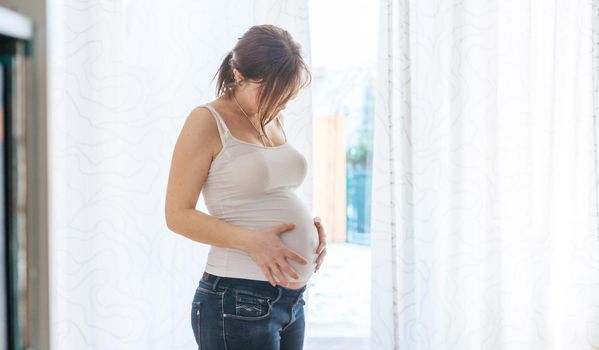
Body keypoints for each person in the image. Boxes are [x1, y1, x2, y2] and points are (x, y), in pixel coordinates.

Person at [165, 24, 328, 350]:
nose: (281, 102)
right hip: (237, 299)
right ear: (238, 74)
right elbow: (177, 215)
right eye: (273, 92)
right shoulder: (207, 121)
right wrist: (252, 242)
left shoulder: (271, 116)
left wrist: (309, 229)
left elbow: (266, 192)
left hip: (292, 300)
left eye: (287, 94)